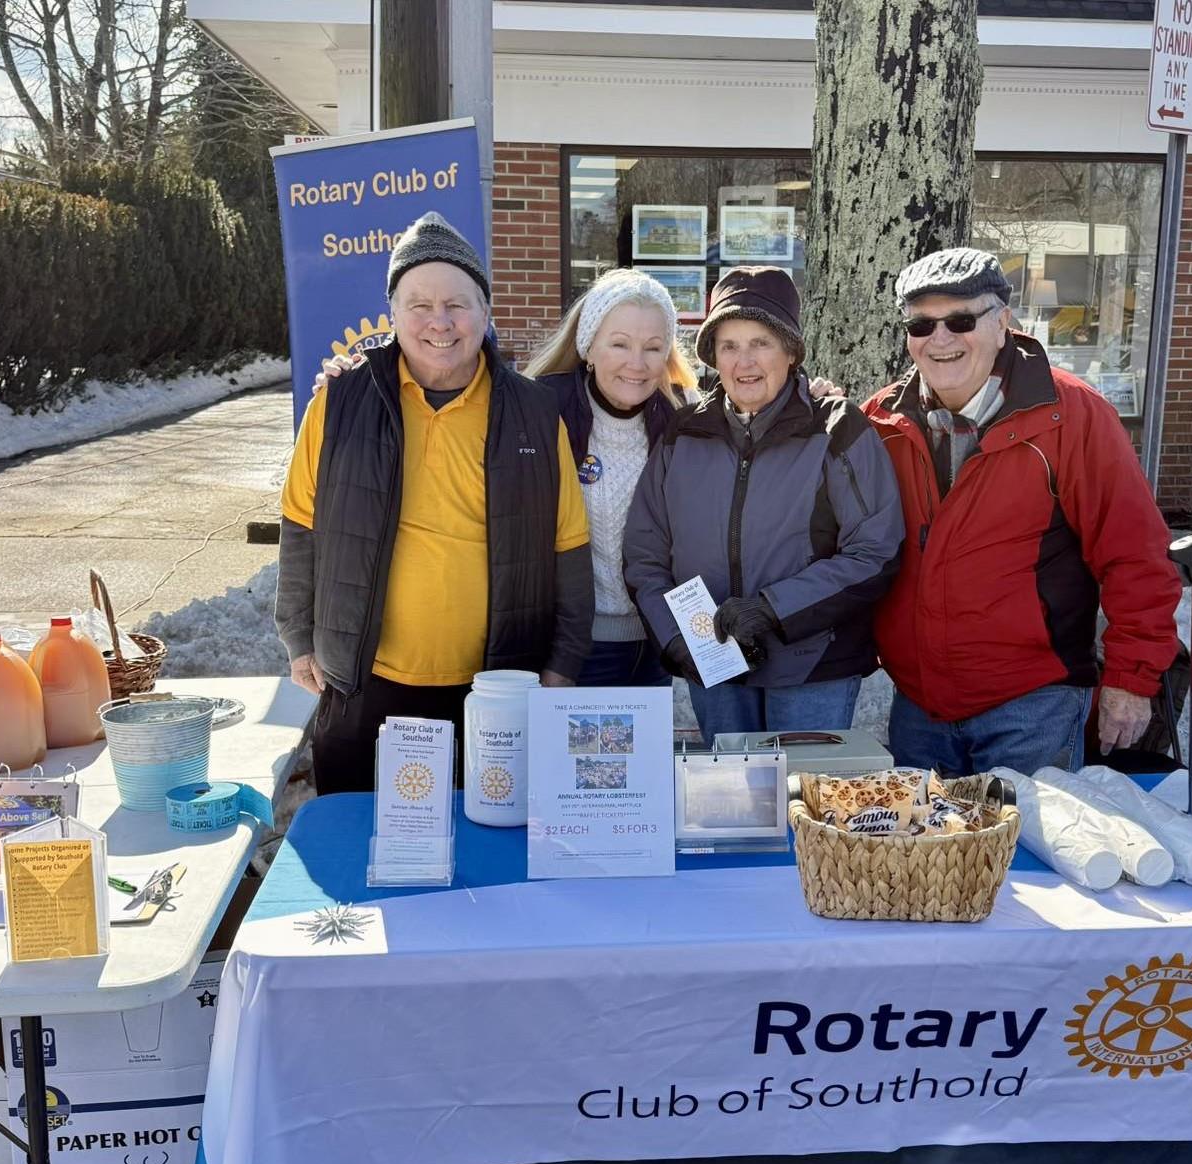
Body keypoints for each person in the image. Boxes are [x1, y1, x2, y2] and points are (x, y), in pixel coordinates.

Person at [275, 211, 593, 793]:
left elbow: (568, 547)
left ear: (486, 313)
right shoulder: (339, 404)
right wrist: (299, 637)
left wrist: (562, 665)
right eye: (419, 304)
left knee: (487, 857)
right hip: (362, 685)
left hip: (496, 688)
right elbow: (301, 527)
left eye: (458, 304)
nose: (439, 322)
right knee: (358, 844)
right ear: (392, 313)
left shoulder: (533, 412)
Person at [862, 246, 1180, 778]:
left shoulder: (1072, 416)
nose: (940, 339)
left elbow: (1135, 554)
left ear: (1003, 322)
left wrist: (1131, 679)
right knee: (925, 861)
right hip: (920, 707)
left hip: (1033, 706)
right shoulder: (882, 421)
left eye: (961, 319)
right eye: (921, 325)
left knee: (1026, 859)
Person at [623, 266, 903, 744]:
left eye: (761, 342)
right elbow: (645, 555)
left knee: (805, 806)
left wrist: (772, 610)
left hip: (813, 668)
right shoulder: (683, 434)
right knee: (731, 805)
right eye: (729, 346)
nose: (743, 361)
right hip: (713, 665)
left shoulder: (835, 429)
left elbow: (875, 552)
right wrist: (678, 641)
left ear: (791, 351)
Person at [523, 269, 698, 688]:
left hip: (654, 642)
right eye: (619, 344)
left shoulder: (685, 421)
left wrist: (814, 397)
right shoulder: (540, 411)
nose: (636, 364)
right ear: (589, 347)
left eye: (653, 348)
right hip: (570, 649)